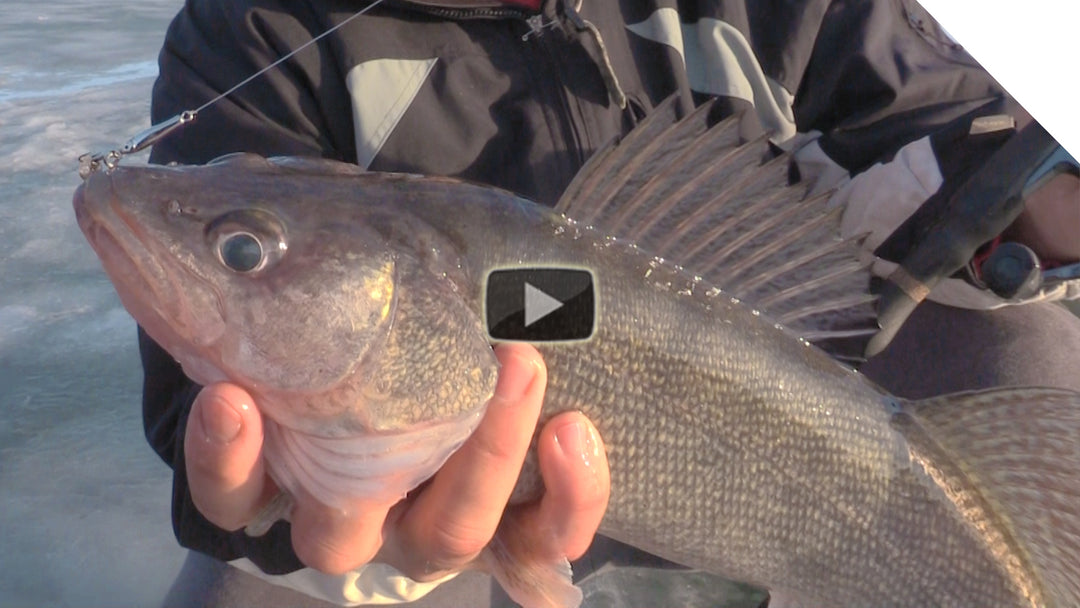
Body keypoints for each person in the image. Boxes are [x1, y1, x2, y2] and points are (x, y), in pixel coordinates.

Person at [145, 0, 1080, 605]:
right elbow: (201, 425)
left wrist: (1039, 196)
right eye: (243, 249)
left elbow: (956, 118)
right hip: (424, 552)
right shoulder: (253, 32)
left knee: (1034, 355)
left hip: (840, 474)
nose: (232, 254)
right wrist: (279, 485)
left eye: (241, 248)